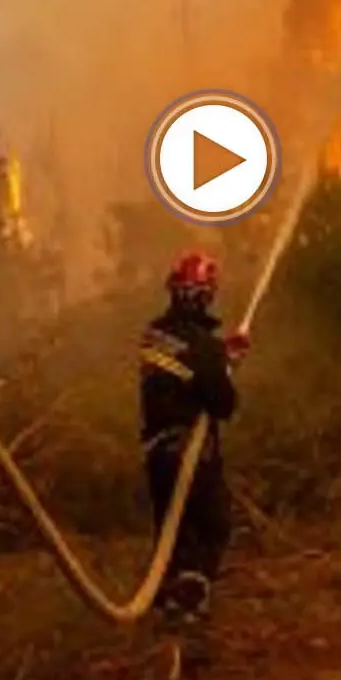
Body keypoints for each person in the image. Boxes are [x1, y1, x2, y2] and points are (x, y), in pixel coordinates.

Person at [138, 249, 247, 625]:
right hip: (191, 453)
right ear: (206, 295)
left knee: (174, 530)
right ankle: (187, 604)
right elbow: (223, 404)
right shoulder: (202, 346)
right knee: (213, 524)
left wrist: (222, 357)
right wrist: (224, 363)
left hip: (157, 453)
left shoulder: (154, 333)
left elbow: (186, 372)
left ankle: (170, 601)